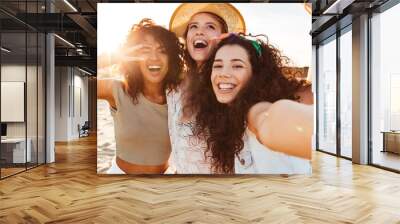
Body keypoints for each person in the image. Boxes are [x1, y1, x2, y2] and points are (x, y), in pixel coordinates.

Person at [188, 33, 313, 174]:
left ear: (256, 74)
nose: (223, 73)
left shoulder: (254, 110)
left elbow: (269, 120)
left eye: (237, 66)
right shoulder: (232, 118)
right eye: (218, 66)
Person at [166, 3, 246, 173]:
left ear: (224, 38)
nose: (199, 31)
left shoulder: (230, 84)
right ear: (186, 37)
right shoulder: (173, 86)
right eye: (193, 26)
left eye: (210, 26)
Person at [97, 19, 184, 174]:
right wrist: (117, 57)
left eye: (162, 50)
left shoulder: (180, 97)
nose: (154, 57)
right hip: (120, 183)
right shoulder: (118, 90)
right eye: (145, 50)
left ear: (171, 58)